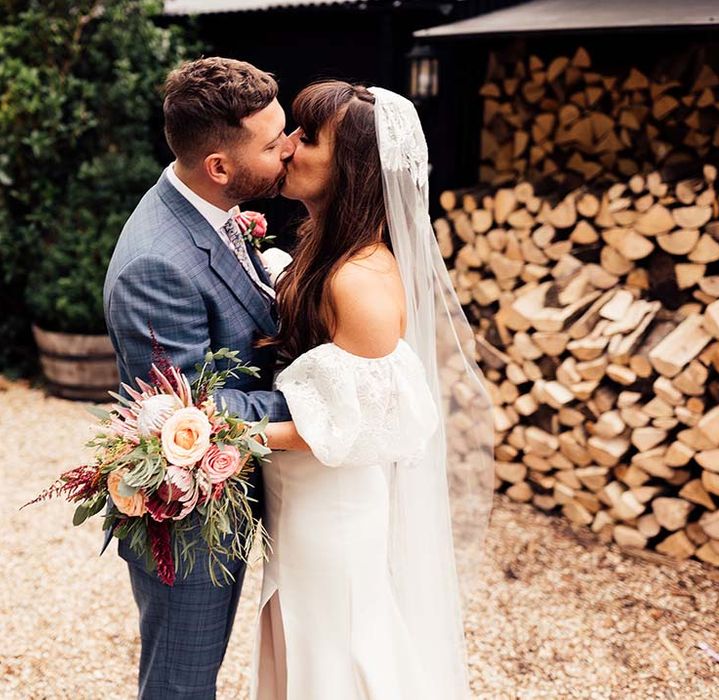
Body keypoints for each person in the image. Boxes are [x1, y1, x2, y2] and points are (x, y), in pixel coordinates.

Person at [251, 81, 495, 700]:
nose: (286, 147)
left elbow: (353, 425)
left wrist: (224, 437)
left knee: (340, 647)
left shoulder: (361, 279)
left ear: (353, 167)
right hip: (301, 499)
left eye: (307, 138)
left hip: (331, 508)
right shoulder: (325, 253)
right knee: (303, 640)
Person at [103, 57, 294, 699]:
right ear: (219, 166)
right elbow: (193, 409)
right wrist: (323, 395)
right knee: (181, 684)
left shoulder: (212, 210)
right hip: (187, 520)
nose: (289, 148)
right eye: (273, 144)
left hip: (237, 489)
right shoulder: (157, 263)